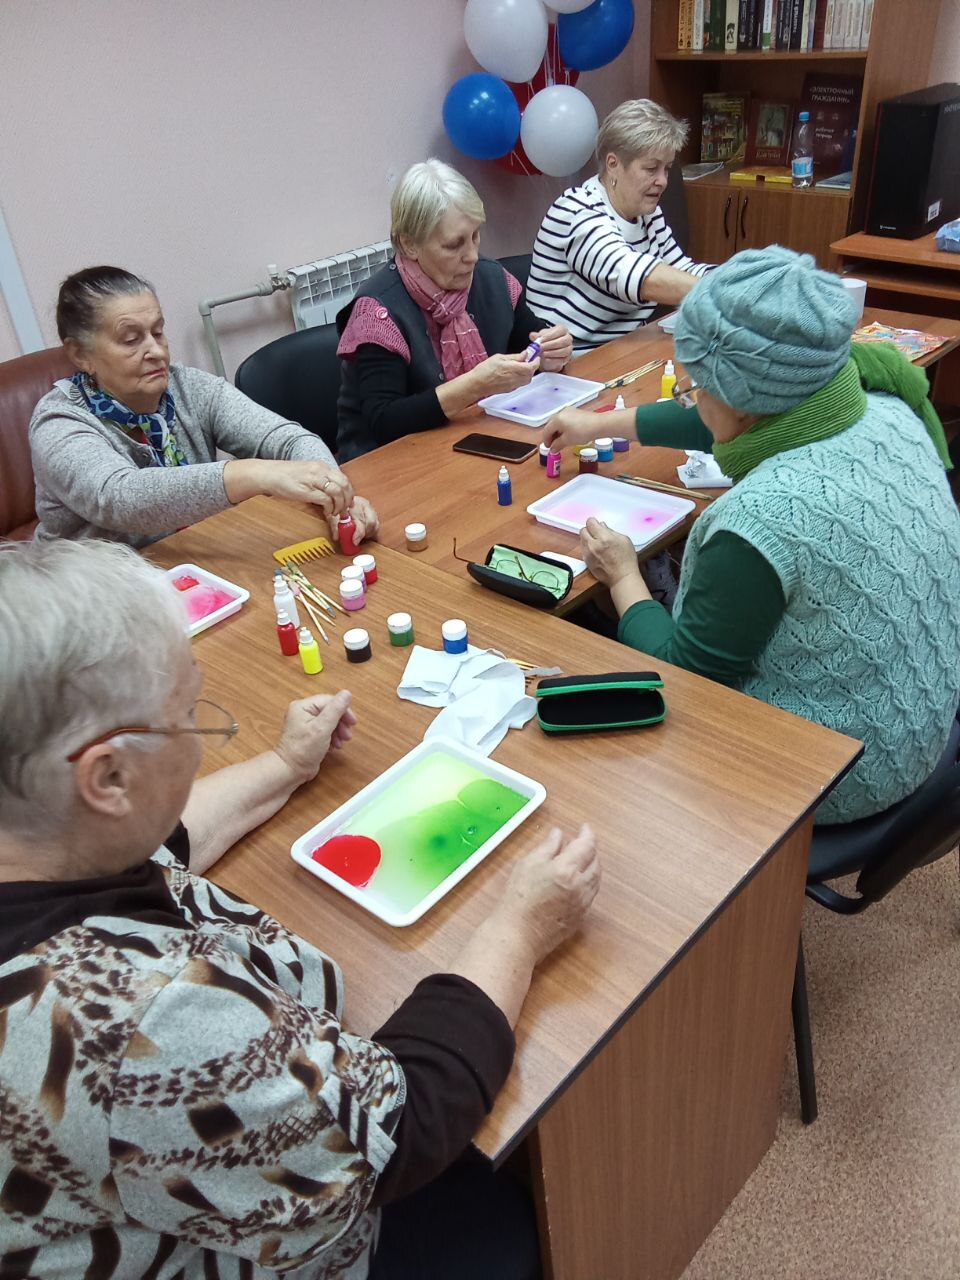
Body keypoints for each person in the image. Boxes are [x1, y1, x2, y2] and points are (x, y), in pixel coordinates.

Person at [0, 538, 600, 1280]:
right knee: (514, 1217)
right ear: (108, 778)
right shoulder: (144, 1027)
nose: (200, 736)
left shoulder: (40, 838)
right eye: (189, 714)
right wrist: (520, 928)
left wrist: (286, 765)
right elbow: (400, 1129)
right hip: (288, 1241)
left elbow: (159, 845)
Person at [543, 246, 960, 824]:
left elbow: (682, 677)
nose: (693, 398)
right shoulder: (886, 409)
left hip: (838, 775)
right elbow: (727, 420)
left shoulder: (760, 524)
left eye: (695, 386)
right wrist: (600, 423)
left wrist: (622, 575)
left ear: (739, 400)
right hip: (921, 723)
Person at [30, 266, 379, 548]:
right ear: (80, 354)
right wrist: (253, 474)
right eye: (131, 339)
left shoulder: (187, 386)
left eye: (158, 332)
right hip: (91, 594)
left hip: (190, 563)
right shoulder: (59, 423)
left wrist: (334, 496)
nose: (156, 351)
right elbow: (120, 498)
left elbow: (287, 439)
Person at [335, 159, 573, 461]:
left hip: (473, 442)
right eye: (453, 245)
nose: (472, 255)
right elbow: (384, 423)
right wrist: (474, 385)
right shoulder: (377, 313)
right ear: (409, 245)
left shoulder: (492, 279)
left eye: (475, 236)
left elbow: (528, 343)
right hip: (391, 464)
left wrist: (550, 352)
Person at [526, 99, 712, 352]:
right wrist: (725, 292)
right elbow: (637, 277)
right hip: (567, 361)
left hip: (622, 351)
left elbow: (681, 270)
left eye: (667, 169)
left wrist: (743, 278)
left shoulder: (648, 215)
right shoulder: (576, 211)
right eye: (651, 168)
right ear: (613, 164)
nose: (663, 181)